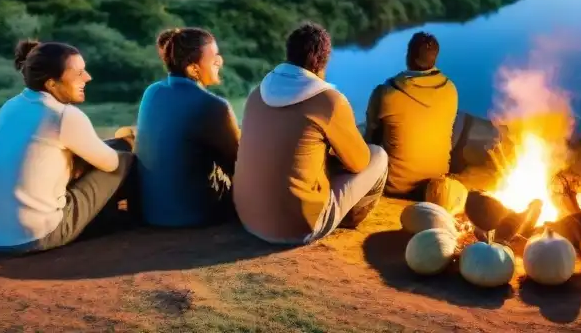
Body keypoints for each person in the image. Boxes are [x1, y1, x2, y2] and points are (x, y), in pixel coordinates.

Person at [0, 40, 135, 253]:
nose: (88, 78)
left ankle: (105, 214)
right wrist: (129, 143)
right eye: (78, 73)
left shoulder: (11, 105)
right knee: (124, 161)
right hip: (32, 236)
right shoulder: (62, 115)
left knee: (110, 147)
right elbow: (112, 164)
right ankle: (135, 218)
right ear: (51, 84)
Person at [233, 22, 388, 245]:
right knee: (378, 155)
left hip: (248, 218)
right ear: (321, 61)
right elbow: (359, 163)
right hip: (297, 228)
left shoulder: (257, 93)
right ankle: (347, 218)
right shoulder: (329, 101)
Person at [134, 27, 240, 228]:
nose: (220, 61)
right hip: (194, 214)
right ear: (193, 69)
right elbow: (238, 166)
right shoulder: (214, 105)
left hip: (151, 212)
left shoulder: (152, 91)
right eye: (214, 57)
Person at [364, 31, 458, 197]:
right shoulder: (451, 89)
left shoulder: (388, 92)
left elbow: (370, 139)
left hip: (395, 187)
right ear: (434, 58)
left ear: (409, 57)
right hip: (435, 187)